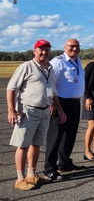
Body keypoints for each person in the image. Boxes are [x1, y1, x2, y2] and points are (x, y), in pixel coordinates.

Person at [7, 39, 66, 190]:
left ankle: (31, 174)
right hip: (28, 110)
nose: (44, 52)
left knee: (37, 144)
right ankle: (20, 179)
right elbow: (11, 88)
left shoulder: (50, 69)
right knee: (23, 145)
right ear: (34, 51)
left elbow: (53, 93)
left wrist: (59, 109)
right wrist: (11, 110)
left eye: (47, 50)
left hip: (45, 110)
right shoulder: (26, 67)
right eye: (41, 49)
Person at [44, 38, 84, 177]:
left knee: (70, 135)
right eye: (71, 46)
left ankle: (65, 163)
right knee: (55, 136)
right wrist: (52, 104)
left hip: (74, 103)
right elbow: (50, 83)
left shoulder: (78, 61)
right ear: (65, 47)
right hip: (60, 102)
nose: (74, 49)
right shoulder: (58, 61)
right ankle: (49, 168)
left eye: (77, 46)